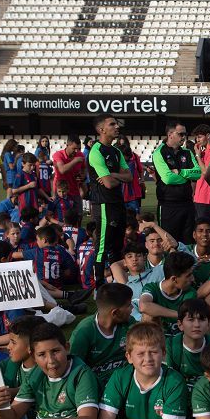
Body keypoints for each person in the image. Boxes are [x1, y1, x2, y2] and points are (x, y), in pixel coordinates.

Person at [86, 115, 132, 289]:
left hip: (118, 203)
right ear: (101, 130)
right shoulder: (96, 151)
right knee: (103, 246)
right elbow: (109, 184)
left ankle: (117, 283)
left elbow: (129, 176)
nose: (117, 127)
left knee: (118, 244)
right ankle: (98, 285)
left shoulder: (117, 151)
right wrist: (114, 177)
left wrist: (112, 174)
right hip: (104, 204)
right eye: (112, 124)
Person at [152, 122, 200, 244]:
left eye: (185, 134)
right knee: (170, 243)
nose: (184, 137)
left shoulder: (187, 152)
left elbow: (198, 173)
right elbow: (168, 178)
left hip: (187, 204)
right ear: (170, 134)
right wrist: (187, 176)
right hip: (168, 205)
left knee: (189, 242)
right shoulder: (159, 153)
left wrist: (180, 171)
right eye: (181, 134)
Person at [52, 135, 86, 204]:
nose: (76, 151)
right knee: (62, 214)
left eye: (78, 149)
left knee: (77, 214)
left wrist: (83, 175)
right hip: (61, 193)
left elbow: (84, 168)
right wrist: (74, 161)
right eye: (74, 148)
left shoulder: (80, 155)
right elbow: (62, 170)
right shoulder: (58, 154)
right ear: (67, 145)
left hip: (75, 192)